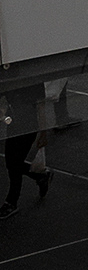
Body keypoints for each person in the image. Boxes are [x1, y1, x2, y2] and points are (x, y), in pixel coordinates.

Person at [0, 84, 51, 219]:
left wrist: (43, 132)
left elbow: (41, 107)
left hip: (27, 127)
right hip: (16, 126)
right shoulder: (26, 80)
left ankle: (12, 201)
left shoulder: (30, 82)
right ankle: (40, 176)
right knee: (13, 163)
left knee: (13, 163)